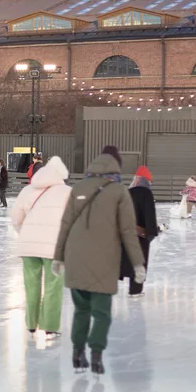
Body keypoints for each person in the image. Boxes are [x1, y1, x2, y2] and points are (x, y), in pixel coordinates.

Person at [53, 146, 146, 375]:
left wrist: (58, 257)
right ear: (117, 165)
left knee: (81, 310)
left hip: (75, 257)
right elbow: (128, 231)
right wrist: (138, 263)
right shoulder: (119, 192)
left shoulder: (78, 188)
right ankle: (96, 356)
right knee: (102, 313)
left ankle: (77, 354)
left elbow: (65, 224)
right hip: (104, 261)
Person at [10, 156, 71, 340]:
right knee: (53, 286)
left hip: (28, 246)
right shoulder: (67, 192)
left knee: (31, 285)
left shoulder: (27, 190)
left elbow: (16, 218)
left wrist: (26, 235)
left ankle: (31, 324)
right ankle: (50, 327)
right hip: (55, 247)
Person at [120, 166, 159, 298]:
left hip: (127, 232)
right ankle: (135, 290)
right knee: (139, 261)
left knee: (129, 259)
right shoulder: (146, 193)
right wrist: (151, 232)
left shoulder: (128, 191)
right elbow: (149, 214)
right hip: (141, 234)